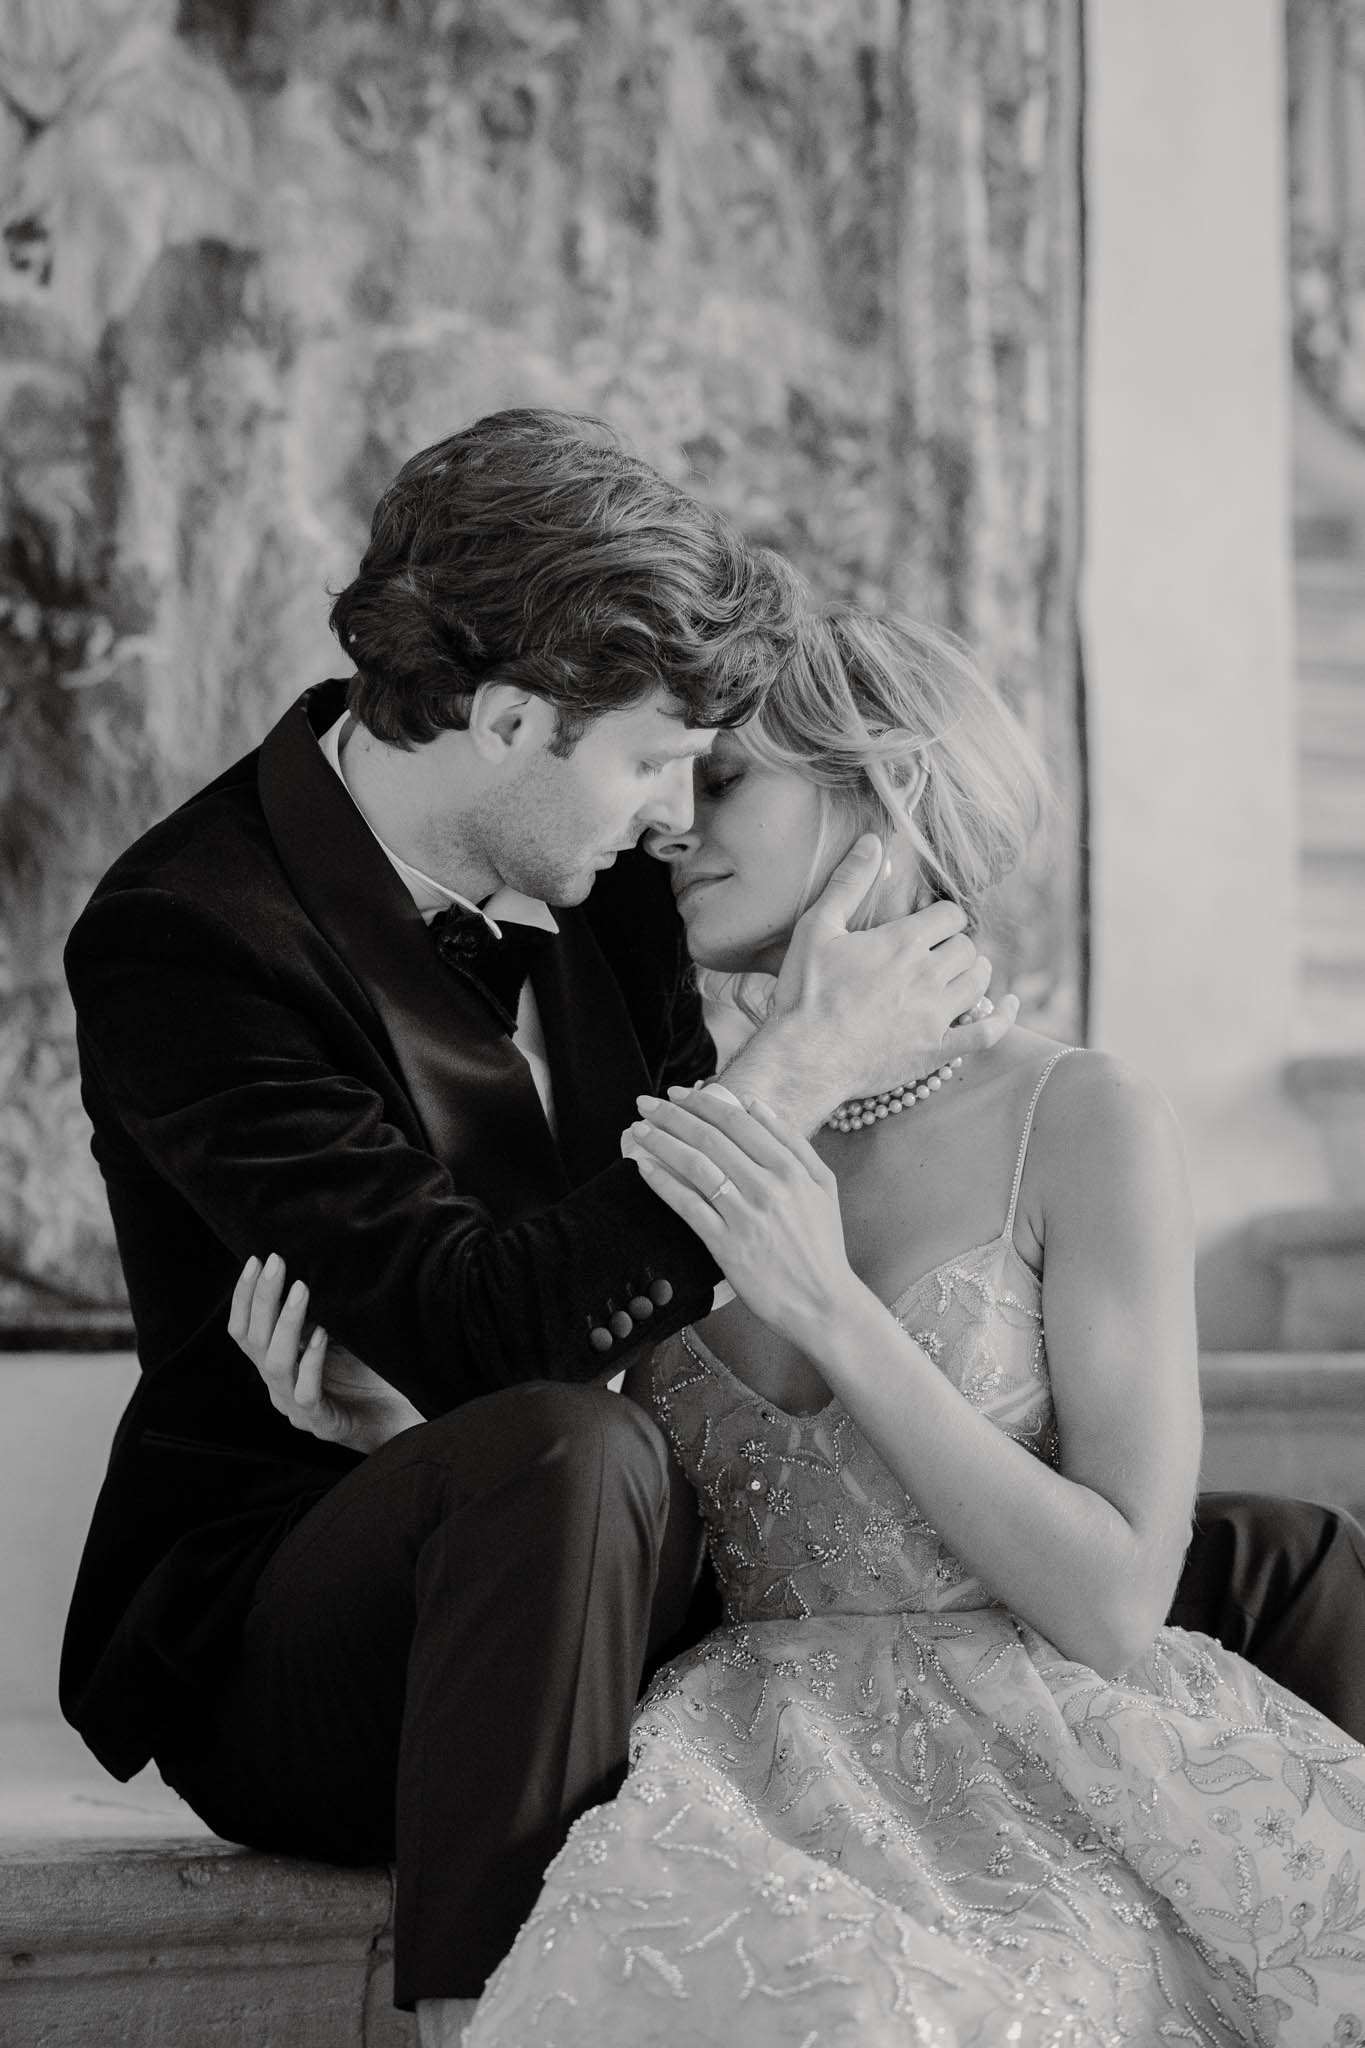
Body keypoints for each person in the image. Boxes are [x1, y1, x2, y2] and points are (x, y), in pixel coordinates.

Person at [240, 601, 1365, 2043]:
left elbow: (1114, 1601)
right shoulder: (664, 1119)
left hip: (1054, 1761)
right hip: (737, 1752)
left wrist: (830, 1307)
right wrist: (397, 1431)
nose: (670, 825)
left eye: (724, 781)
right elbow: (607, 1498)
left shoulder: (1081, 1119)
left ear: (878, 799)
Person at [58, 408, 1014, 2036]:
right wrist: (791, 1068)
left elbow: (657, 1301)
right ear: (506, 718)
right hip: (305, 1620)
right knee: (565, 1450)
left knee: (1273, 1563)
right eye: (650, 761)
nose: (675, 815)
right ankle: (480, 2021)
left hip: (619, 1553)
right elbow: (491, 1340)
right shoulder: (187, 936)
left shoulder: (610, 888)